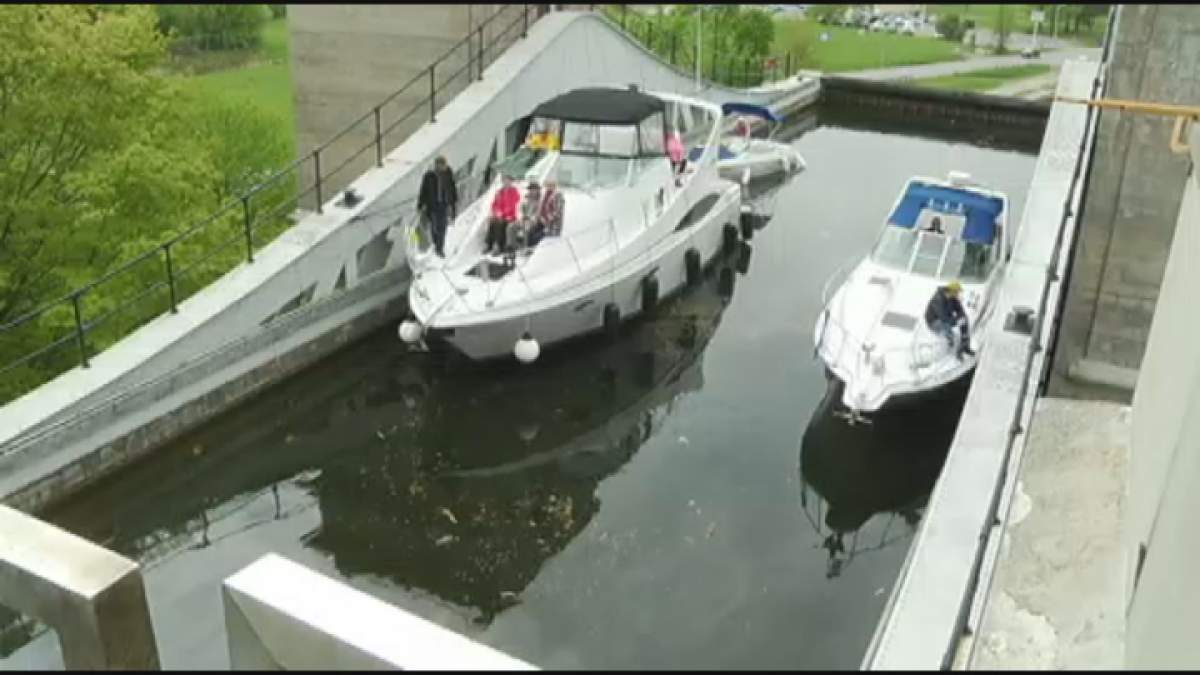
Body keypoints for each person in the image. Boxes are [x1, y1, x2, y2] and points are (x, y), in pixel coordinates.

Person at [417, 155, 459, 257]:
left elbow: (452, 188)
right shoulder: (429, 176)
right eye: (442, 165)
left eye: (445, 165)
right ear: (437, 165)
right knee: (434, 227)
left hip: (444, 204)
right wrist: (420, 204)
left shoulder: (448, 174)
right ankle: (436, 243)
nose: (444, 167)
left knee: (442, 227)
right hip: (432, 205)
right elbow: (423, 190)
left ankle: (439, 248)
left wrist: (453, 203)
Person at [924, 280, 975, 359]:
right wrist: (957, 321)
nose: (958, 294)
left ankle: (965, 346)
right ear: (952, 291)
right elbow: (944, 318)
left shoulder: (953, 298)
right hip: (934, 322)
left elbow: (960, 311)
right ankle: (952, 353)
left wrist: (962, 319)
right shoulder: (938, 299)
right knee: (949, 332)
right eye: (957, 292)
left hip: (946, 319)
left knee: (964, 319)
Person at [485, 175, 521, 255]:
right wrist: (495, 212)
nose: (506, 183)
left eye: (508, 181)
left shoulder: (514, 191)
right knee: (492, 221)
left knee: (500, 223)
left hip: (510, 216)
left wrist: (502, 213)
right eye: (504, 181)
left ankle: (498, 246)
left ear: (511, 182)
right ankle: (489, 244)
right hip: (500, 215)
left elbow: (512, 205)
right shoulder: (499, 192)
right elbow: (494, 204)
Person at [531, 178, 564, 246]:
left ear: (555, 186)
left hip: (552, 225)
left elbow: (557, 212)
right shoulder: (545, 194)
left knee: (537, 237)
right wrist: (539, 218)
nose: (549, 187)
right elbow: (540, 208)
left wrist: (547, 220)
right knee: (530, 231)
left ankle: (533, 249)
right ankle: (527, 249)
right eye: (548, 185)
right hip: (542, 221)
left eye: (551, 185)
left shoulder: (558, 195)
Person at [511, 180, 542, 252]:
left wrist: (530, 219)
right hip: (522, 219)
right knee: (511, 227)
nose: (532, 191)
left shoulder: (539, 201)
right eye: (531, 189)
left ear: (537, 190)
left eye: (534, 189)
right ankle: (512, 246)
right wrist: (521, 217)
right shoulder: (524, 199)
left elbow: (537, 213)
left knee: (526, 227)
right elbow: (519, 209)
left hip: (533, 221)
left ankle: (525, 247)